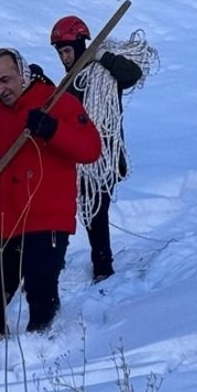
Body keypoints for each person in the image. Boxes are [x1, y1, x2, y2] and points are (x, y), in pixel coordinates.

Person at [0, 48, 100, 359]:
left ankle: (42, 354)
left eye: (6, 79)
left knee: (40, 289)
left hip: (47, 219)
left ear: (23, 73)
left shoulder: (58, 101)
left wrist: (53, 130)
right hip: (6, 222)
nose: (2, 89)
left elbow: (91, 148)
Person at [50, 15, 143, 282]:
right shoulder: (68, 85)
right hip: (75, 156)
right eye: (60, 53)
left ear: (81, 46)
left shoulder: (105, 74)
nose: (64, 58)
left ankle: (103, 265)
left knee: (96, 209)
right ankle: (55, 262)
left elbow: (132, 74)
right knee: (64, 208)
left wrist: (102, 56)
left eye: (67, 51)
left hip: (105, 156)